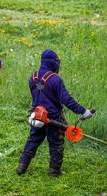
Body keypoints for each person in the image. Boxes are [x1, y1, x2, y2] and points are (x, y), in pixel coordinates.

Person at [17, 49, 93, 177]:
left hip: (37, 116)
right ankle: (54, 171)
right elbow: (67, 100)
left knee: (32, 140)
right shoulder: (55, 79)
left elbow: (36, 95)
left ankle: (21, 166)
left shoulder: (33, 77)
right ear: (54, 63)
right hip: (54, 118)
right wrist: (83, 111)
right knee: (56, 144)